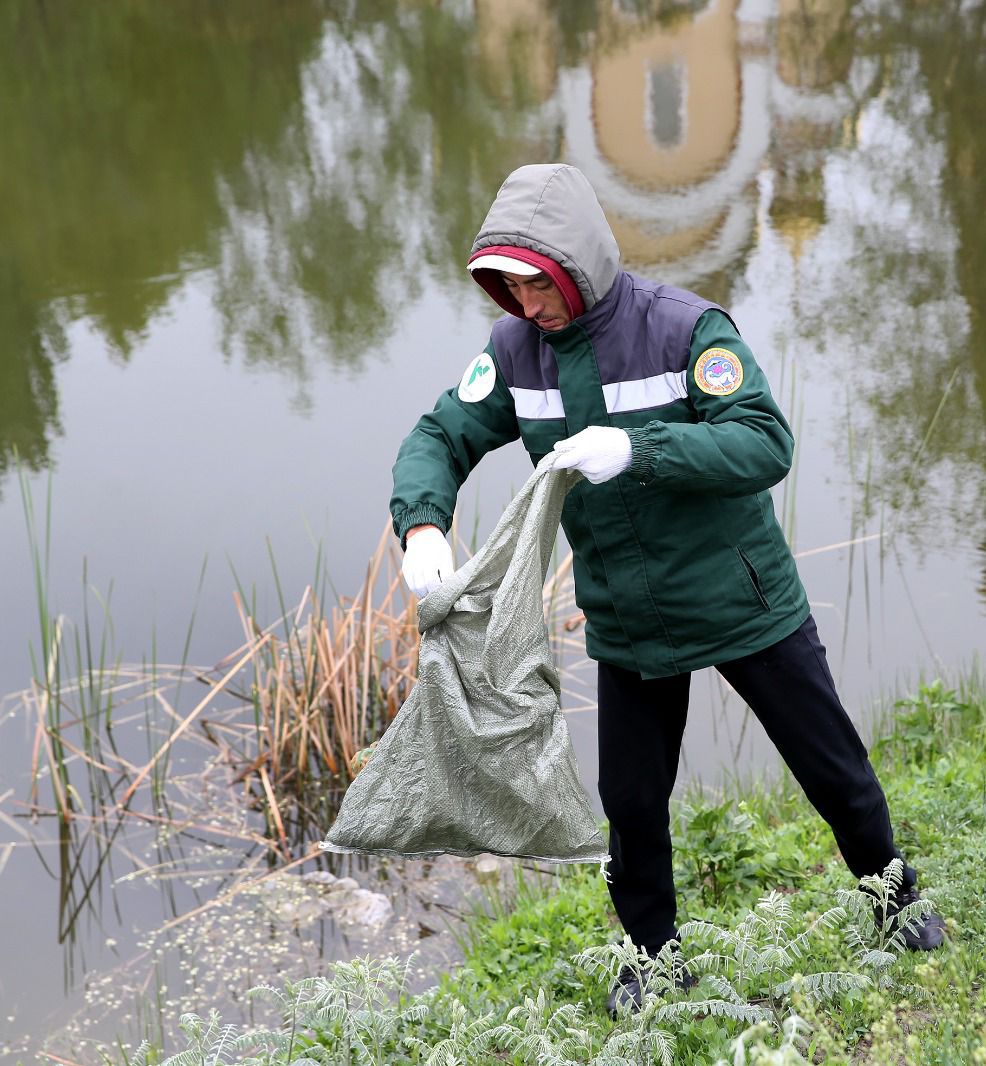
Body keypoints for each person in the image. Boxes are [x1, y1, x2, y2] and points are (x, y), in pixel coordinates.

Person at [391, 163, 944, 1013]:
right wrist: (423, 523)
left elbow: (765, 443)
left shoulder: (684, 329)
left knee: (831, 767)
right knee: (634, 807)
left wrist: (641, 450)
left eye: (538, 286)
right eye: (507, 288)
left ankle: (892, 895)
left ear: (577, 263)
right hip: (628, 620)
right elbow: (440, 435)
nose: (526, 306)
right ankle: (654, 959)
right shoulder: (514, 354)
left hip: (742, 598)